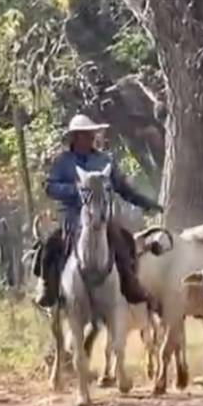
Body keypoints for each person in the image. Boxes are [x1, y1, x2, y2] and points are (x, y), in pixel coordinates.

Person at [32, 114, 163, 309]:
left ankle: (130, 284)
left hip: (102, 217)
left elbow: (123, 188)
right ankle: (48, 288)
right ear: (76, 137)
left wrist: (146, 203)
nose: (92, 137)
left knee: (124, 240)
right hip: (71, 217)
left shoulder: (104, 161)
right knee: (51, 245)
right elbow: (50, 187)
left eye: (92, 134)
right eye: (86, 134)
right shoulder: (63, 162)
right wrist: (75, 190)